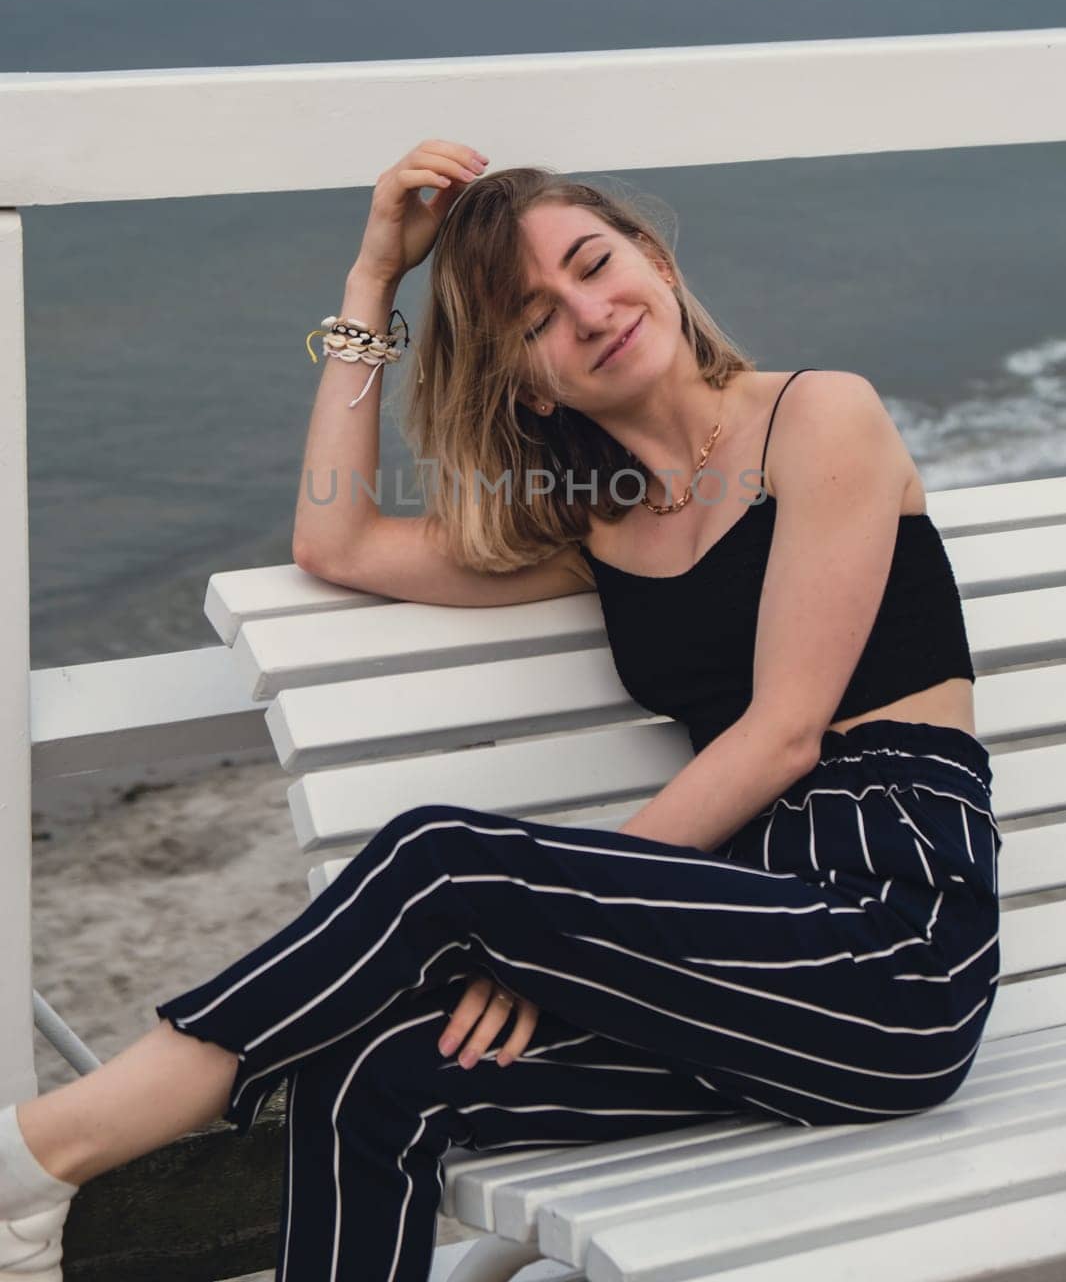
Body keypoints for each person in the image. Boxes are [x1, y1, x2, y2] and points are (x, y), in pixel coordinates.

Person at [0, 139, 999, 1282]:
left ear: (657, 261)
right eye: (534, 317)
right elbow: (334, 539)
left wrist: (544, 932)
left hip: (887, 945)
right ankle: (29, 1195)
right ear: (527, 380)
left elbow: (782, 732)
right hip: (734, 955)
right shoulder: (602, 528)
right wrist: (372, 280)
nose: (587, 309)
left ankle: (34, 1162)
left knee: (440, 859)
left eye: (593, 261)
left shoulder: (821, 417)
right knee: (373, 1081)